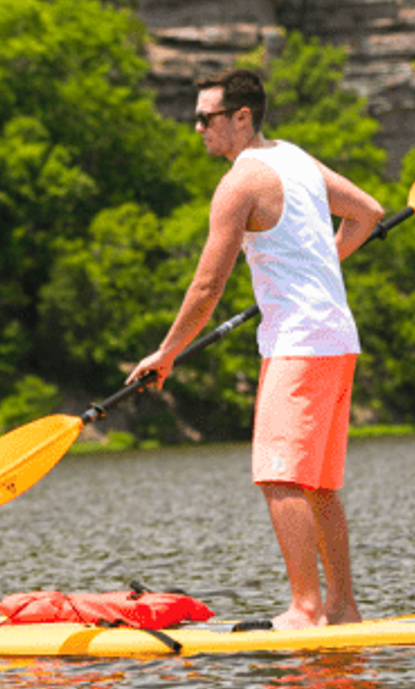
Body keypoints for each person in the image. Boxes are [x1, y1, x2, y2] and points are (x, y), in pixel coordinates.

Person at [128, 69, 384, 630]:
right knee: (318, 484)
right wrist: (317, 266)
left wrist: (165, 353)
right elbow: (368, 213)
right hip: (338, 339)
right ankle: (342, 609)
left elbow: (206, 288)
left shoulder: (240, 184)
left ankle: (305, 608)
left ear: (242, 117)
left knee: (279, 476)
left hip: (298, 345)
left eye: (206, 117)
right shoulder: (297, 159)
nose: (196, 127)